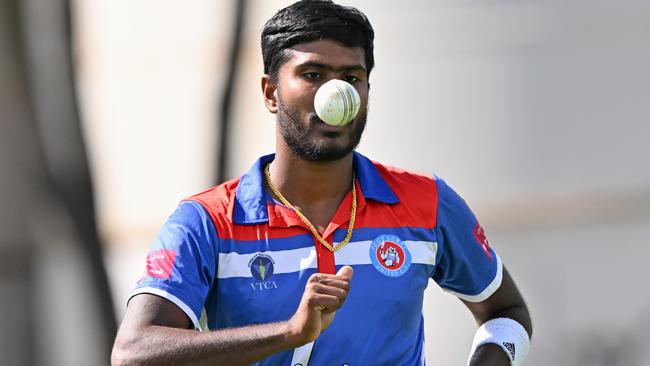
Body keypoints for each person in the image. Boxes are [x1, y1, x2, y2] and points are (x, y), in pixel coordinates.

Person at [111, 1, 532, 365]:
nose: (335, 94)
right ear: (271, 92)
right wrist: (292, 331)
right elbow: (134, 353)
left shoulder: (428, 202)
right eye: (312, 74)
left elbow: (506, 311)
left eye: (351, 78)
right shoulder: (206, 221)